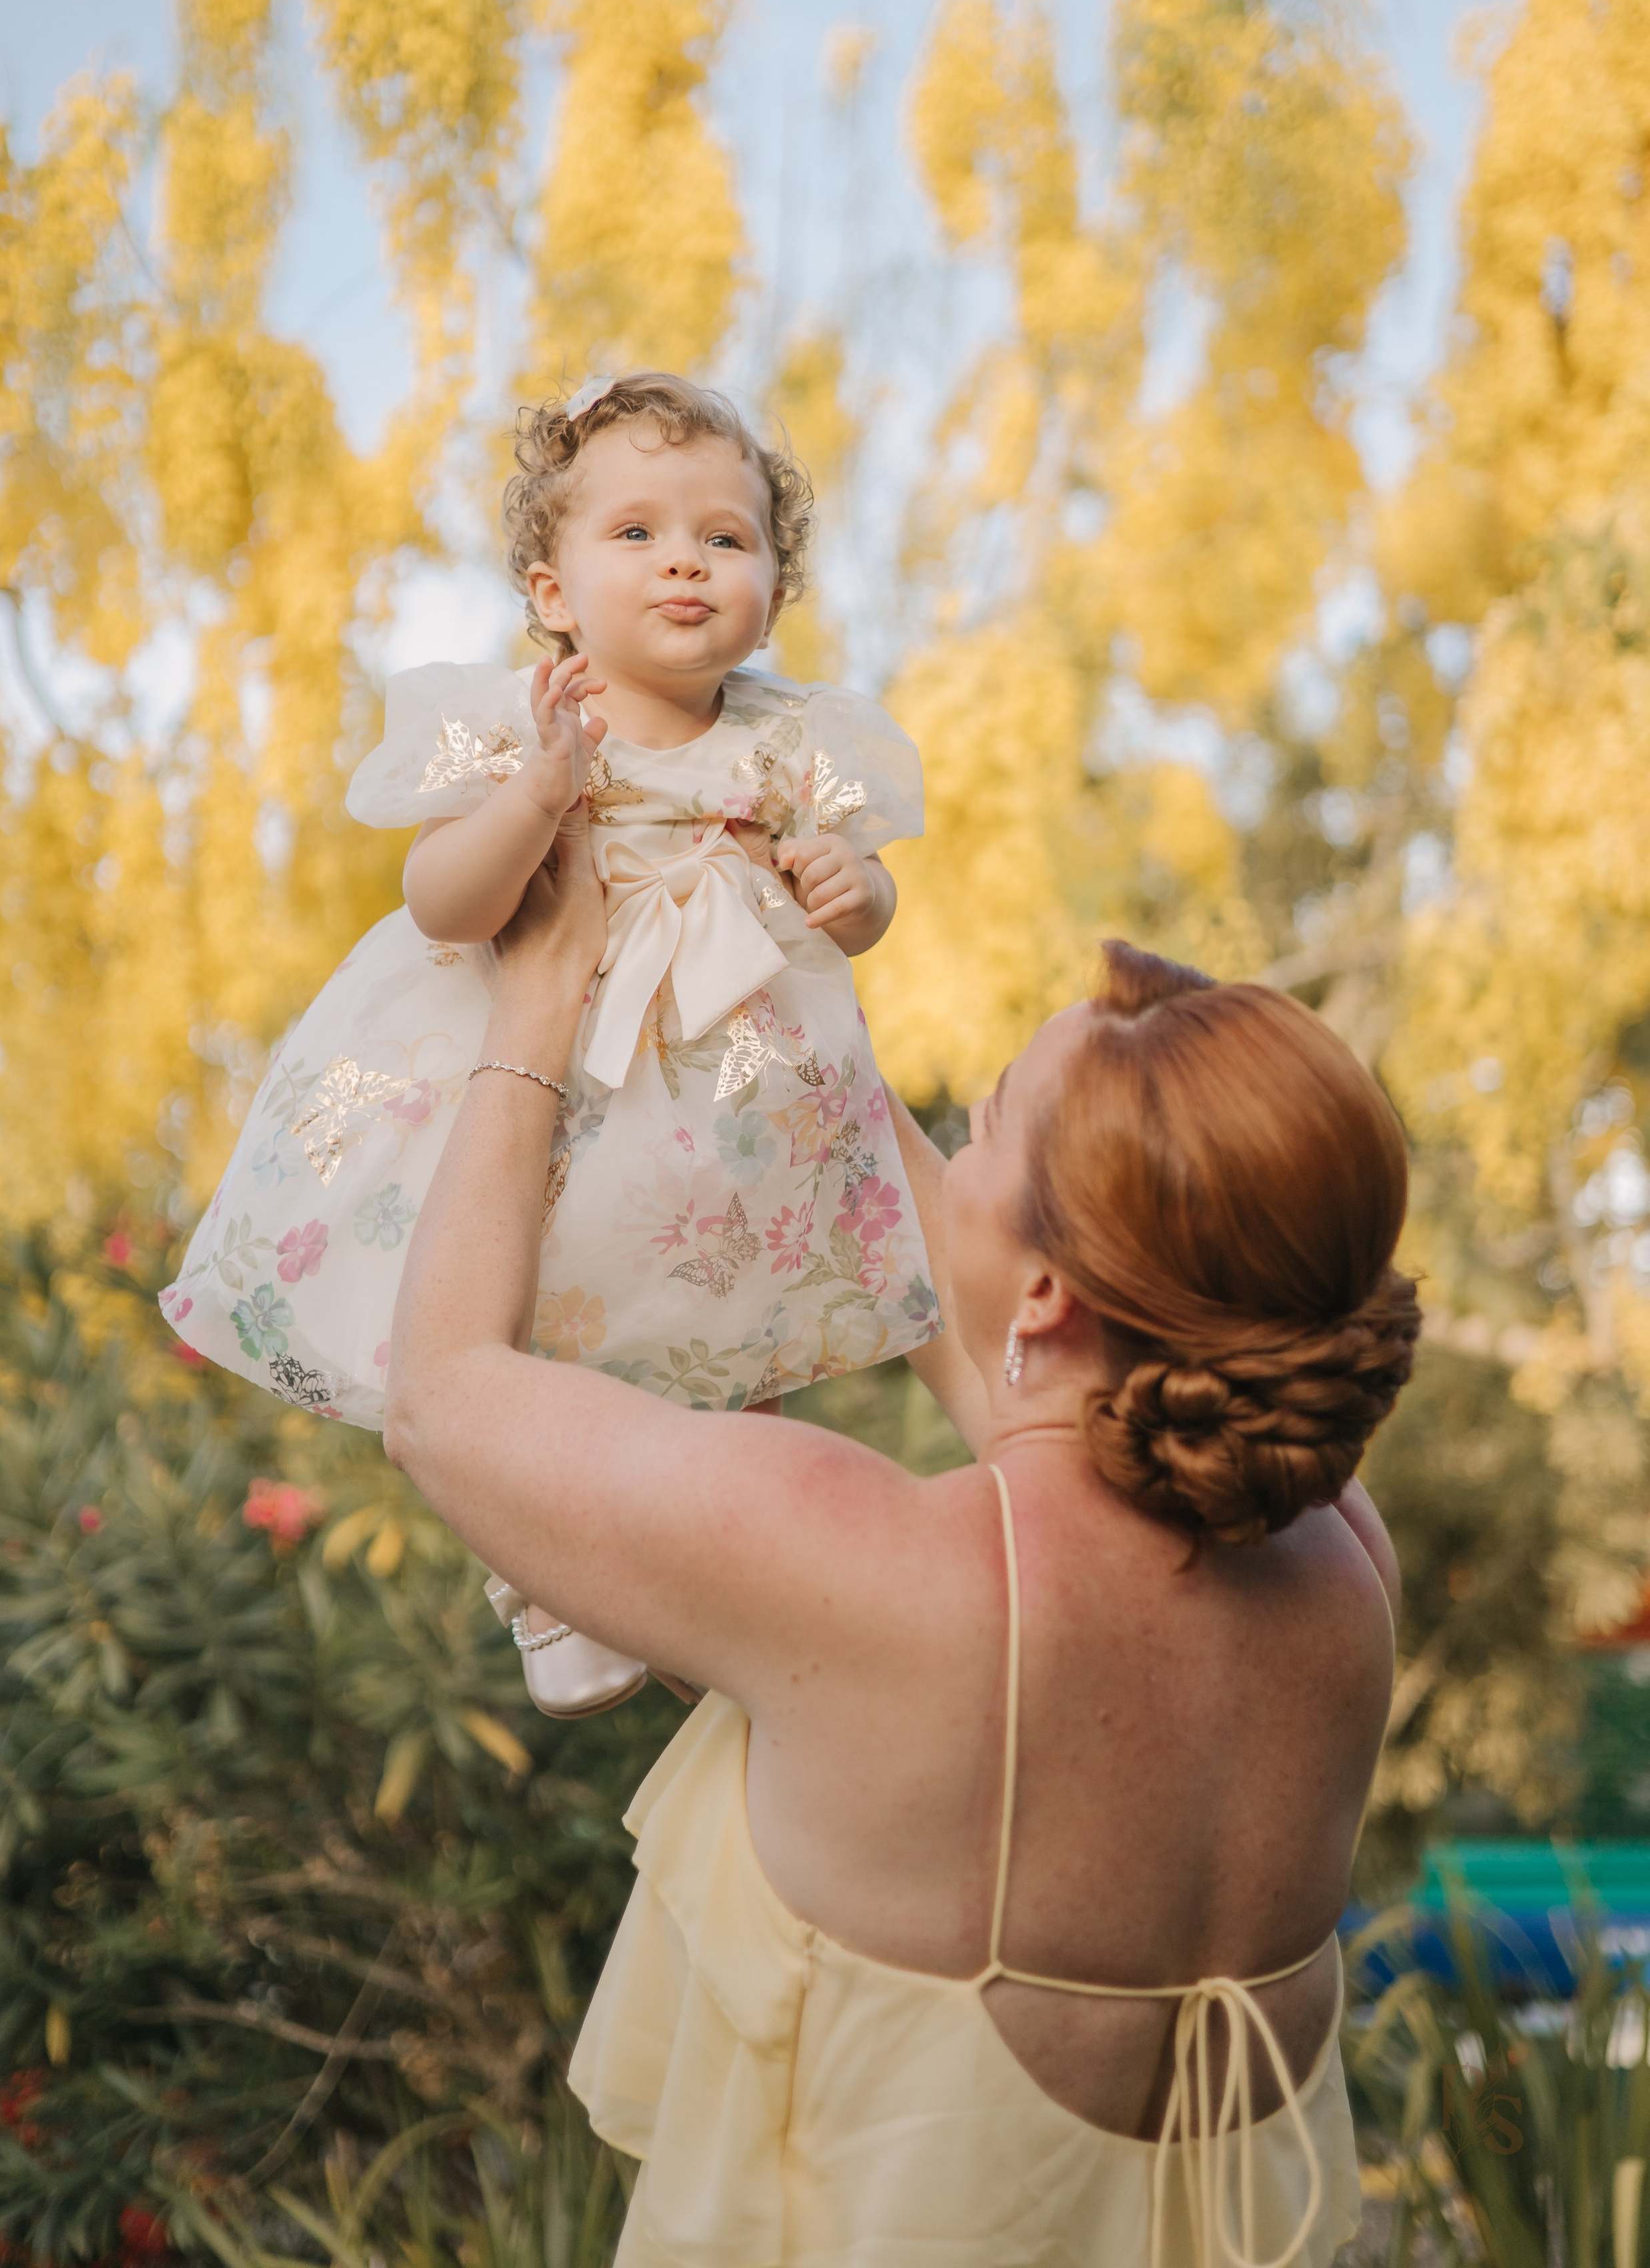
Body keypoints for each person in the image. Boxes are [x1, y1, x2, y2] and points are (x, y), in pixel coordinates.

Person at [384, 816, 1419, 2268]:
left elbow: (439, 1396)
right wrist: (776, 981)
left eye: (983, 1125)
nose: (955, 1147)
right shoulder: (1344, 1568)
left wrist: (543, 990)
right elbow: (1007, 1344)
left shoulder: (868, 1565)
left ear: (1050, 1293)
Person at [160, 371, 938, 1713]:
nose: (684, 559)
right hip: (538, 1089)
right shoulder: (517, 723)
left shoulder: (791, 741)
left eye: (725, 537)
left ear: (772, 592)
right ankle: (548, 1575)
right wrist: (534, 797)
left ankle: (711, 1566)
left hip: (721, 1094)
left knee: (722, 1322)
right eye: (635, 532)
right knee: (526, 1307)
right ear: (552, 592)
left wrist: (853, 891)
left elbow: (863, 905)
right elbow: (443, 903)